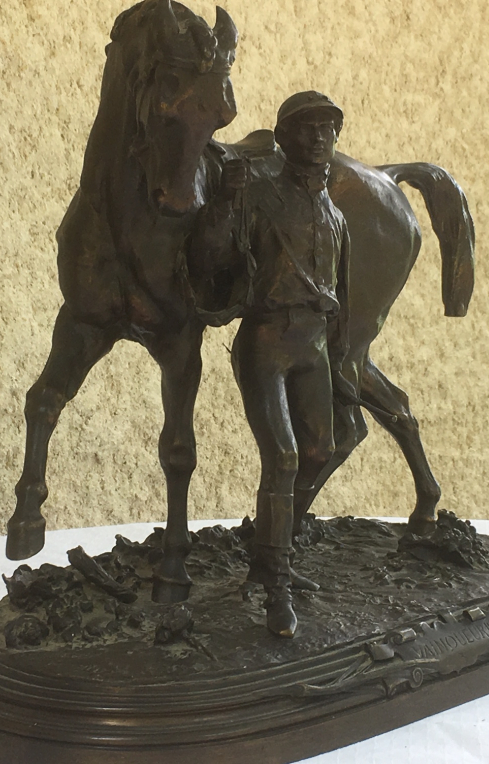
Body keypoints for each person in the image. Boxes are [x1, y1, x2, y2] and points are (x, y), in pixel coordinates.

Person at [190, 91, 354, 637]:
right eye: (308, 127)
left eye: (329, 127)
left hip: (314, 345)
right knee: (282, 457)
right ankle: (276, 587)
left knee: (321, 451)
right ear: (283, 138)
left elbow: (343, 300)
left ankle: (268, 553)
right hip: (266, 340)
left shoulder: (335, 216)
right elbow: (211, 258)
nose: (320, 137)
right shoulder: (258, 197)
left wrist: (342, 365)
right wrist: (223, 203)